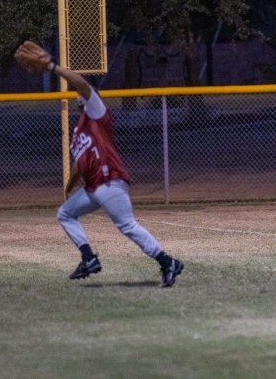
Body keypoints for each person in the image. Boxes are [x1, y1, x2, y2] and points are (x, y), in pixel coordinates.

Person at [50, 58, 183, 287]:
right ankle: (88, 258)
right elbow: (79, 163)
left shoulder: (96, 112)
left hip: (109, 181)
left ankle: (167, 262)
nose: (79, 96)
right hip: (93, 187)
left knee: (127, 226)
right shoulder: (78, 129)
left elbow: (81, 84)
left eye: (82, 94)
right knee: (65, 213)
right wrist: (69, 186)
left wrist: (53, 68)